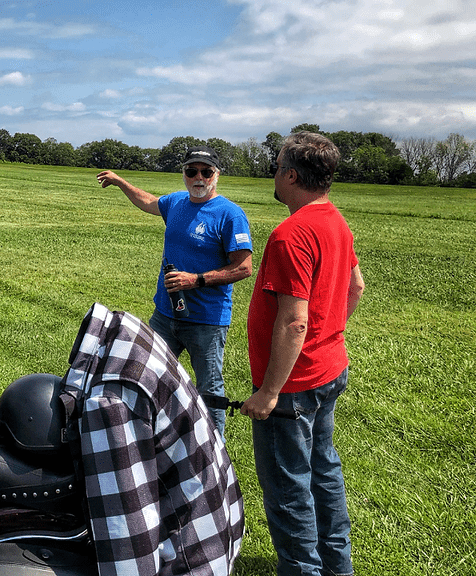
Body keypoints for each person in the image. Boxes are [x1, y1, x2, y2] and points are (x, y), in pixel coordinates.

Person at [240, 131, 365, 576]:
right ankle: (338, 567)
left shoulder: (290, 235)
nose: (273, 175)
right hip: (329, 369)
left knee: (289, 490)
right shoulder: (336, 220)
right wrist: (328, 336)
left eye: (276, 167)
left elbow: (294, 321)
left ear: (291, 175)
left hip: (293, 386)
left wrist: (269, 392)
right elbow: (356, 287)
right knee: (324, 473)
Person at [64, 302, 243, 575]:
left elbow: (127, 544)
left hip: (193, 559)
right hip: (219, 521)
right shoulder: (123, 330)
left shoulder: (110, 401)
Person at [97, 146, 253, 435]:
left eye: (206, 172)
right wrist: (120, 182)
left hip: (206, 320)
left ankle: (215, 450)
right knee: (145, 372)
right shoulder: (177, 203)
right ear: (183, 174)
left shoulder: (230, 215)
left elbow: (243, 268)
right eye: (191, 171)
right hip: (165, 315)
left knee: (209, 388)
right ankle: (146, 433)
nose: (198, 177)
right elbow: (148, 202)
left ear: (216, 175)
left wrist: (195, 280)